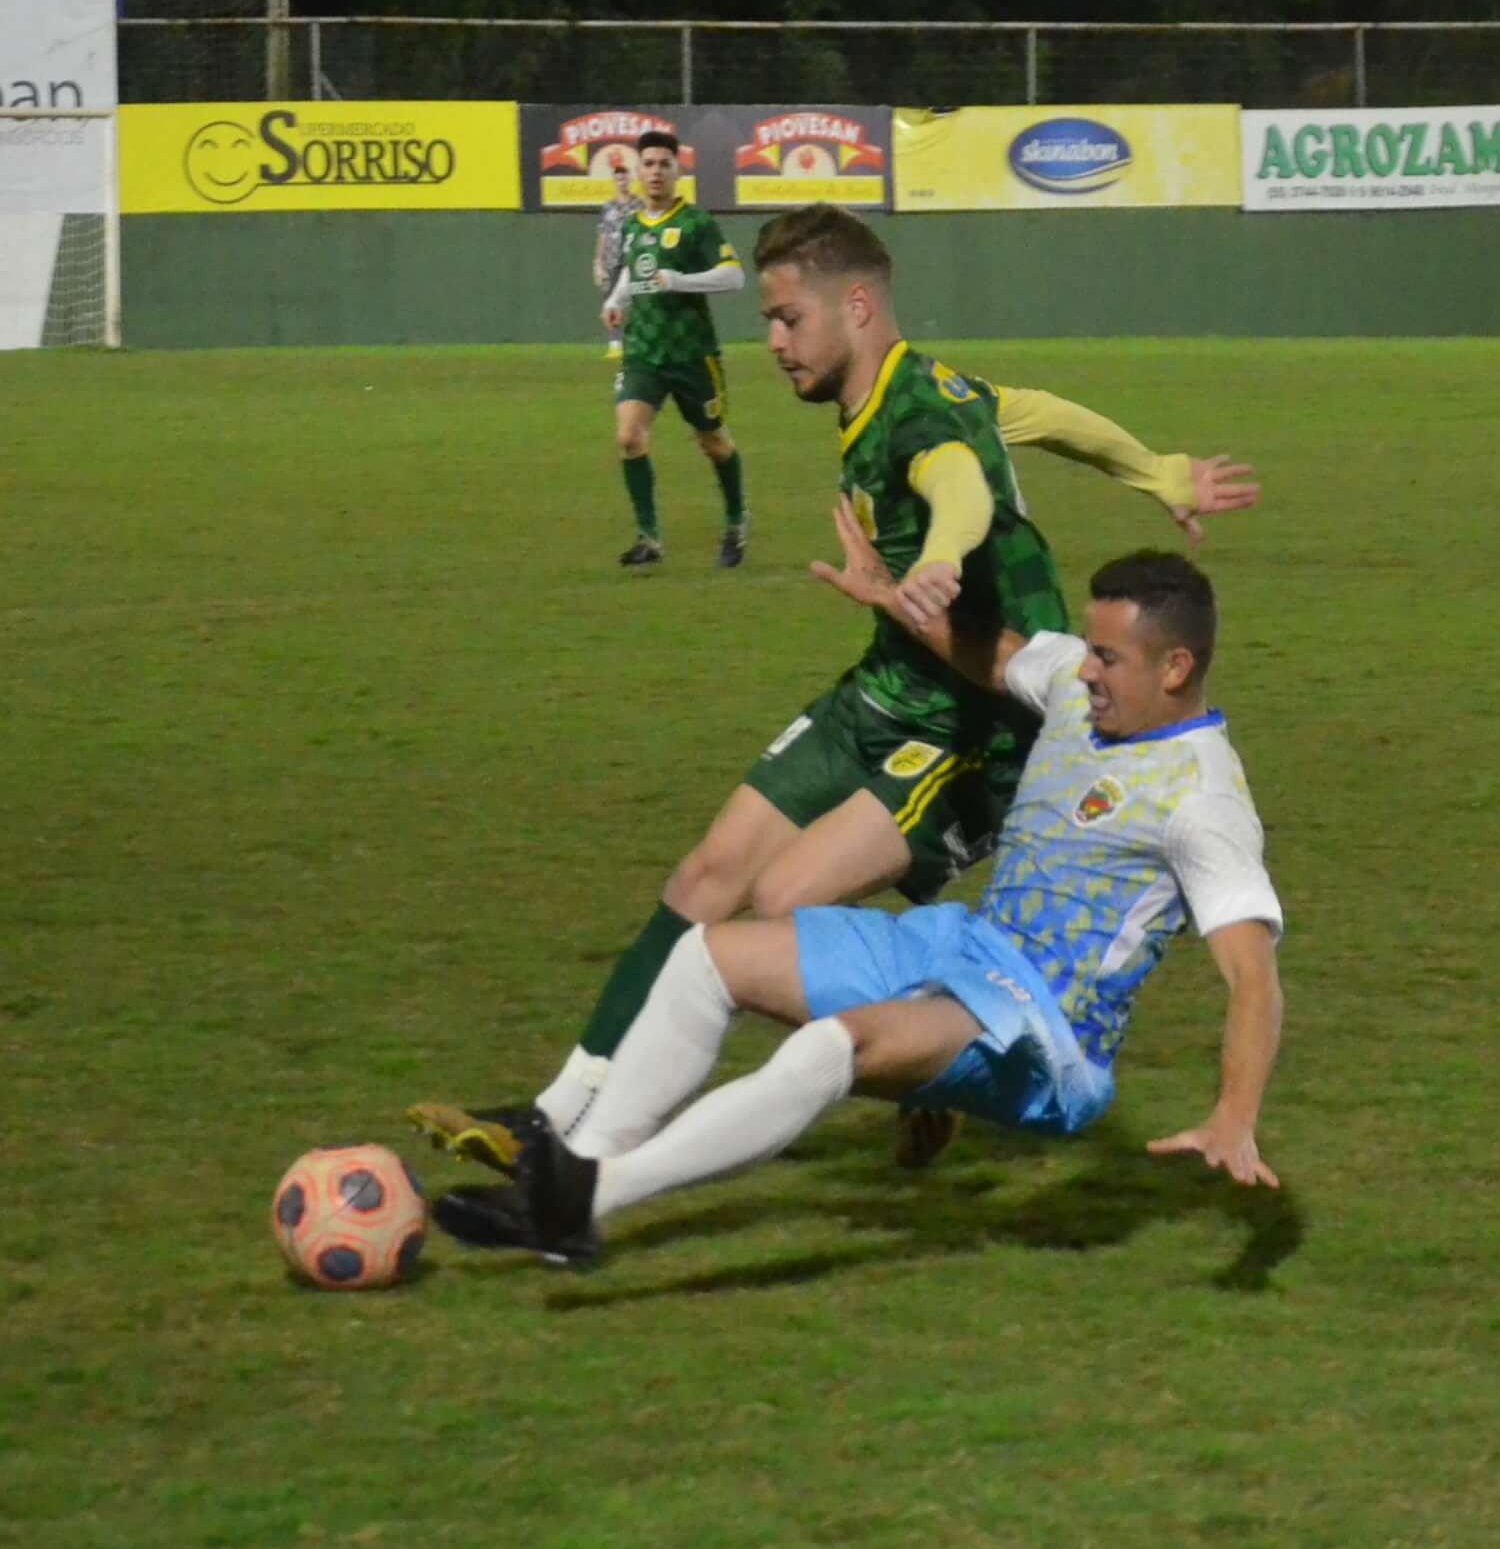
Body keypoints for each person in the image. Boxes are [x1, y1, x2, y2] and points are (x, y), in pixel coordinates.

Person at [411, 203, 1260, 1172]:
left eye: (787, 319)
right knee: (704, 879)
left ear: (855, 306)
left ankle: (904, 1057)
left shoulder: (923, 417)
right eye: (767, 320)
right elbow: (1040, 413)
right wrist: (1154, 469)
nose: (771, 342)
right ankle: (552, 1116)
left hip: (966, 728)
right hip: (884, 687)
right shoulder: (920, 386)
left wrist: (941, 559)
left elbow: (960, 488)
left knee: (778, 903)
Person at [432, 539, 1285, 1269]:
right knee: (709, 955)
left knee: (829, 1048)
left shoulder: (1203, 799)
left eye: (1109, 658)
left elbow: (1253, 979)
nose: (1086, 669)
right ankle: (572, 1174)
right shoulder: (1073, 682)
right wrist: (892, 600)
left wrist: (1232, 1117)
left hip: (1048, 1030)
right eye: (1090, 650)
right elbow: (994, 655)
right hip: (963, 948)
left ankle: (585, 1202)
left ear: (1176, 667)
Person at [604, 129, 750, 569]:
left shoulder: (696, 223)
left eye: (664, 165)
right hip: (643, 351)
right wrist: (616, 300)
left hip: (691, 354)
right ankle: (649, 538)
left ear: (677, 171)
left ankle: (736, 522)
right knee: (628, 436)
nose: (655, 172)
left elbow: (734, 276)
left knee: (715, 444)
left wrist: (680, 281)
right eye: (647, 164)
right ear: (638, 170)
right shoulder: (632, 225)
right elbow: (634, 274)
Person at [593, 148, 636, 365]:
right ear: (614, 180)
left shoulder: (637, 205)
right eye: (618, 178)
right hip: (611, 260)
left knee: (637, 300)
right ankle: (615, 345)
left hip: (632, 259)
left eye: (624, 177)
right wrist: (597, 262)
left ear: (629, 179)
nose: (621, 181)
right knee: (610, 301)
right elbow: (603, 233)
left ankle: (637, 342)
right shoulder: (608, 206)